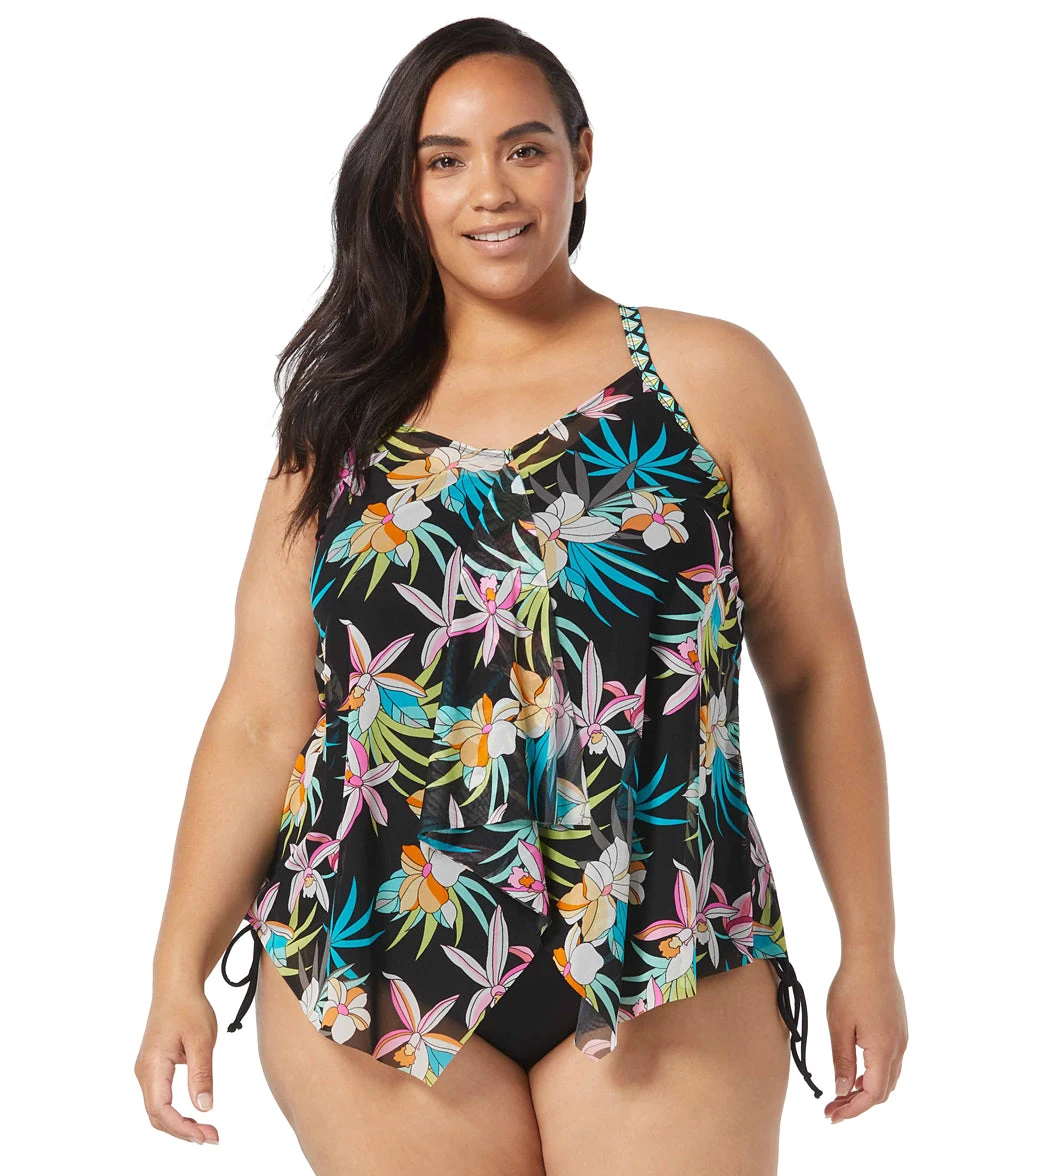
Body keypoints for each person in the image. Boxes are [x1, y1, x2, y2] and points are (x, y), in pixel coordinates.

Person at [134, 16, 907, 1174]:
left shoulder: (710, 379)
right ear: (405, 189)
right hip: (367, 955)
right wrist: (175, 973)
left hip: (667, 942)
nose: (490, 191)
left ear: (581, 159)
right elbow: (259, 714)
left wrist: (871, 949)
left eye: (526, 149)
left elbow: (817, 668)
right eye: (445, 160)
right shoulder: (340, 420)